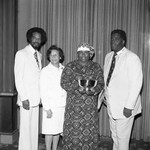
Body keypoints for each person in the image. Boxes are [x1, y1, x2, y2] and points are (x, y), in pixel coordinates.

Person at [104, 29, 143, 150]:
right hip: (111, 104)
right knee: (115, 136)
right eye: (111, 38)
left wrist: (129, 106)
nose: (112, 41)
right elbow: (107, 79)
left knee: (123, 138)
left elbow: (136, 83)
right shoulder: (108, 56)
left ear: (123, 41)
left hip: (125, 107)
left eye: (116, 39)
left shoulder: (132, 58)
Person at [61, 42, 104, 150]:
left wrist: (93, 91)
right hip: (73, 107)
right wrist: (76, 89)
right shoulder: (70, 66)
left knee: (89, 130)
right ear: (77, 54)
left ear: (90, 54)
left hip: (90, 107)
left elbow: (101, 83)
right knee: (72, 131)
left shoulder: (96, 67)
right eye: (81, 53)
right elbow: (63, 82)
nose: (83, 55)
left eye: (86, 53)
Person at [14, 27, 47, 150]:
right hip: (26, 99)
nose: (37, 40)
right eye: (34, 37)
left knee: (34, 129)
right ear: (29, 38)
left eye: (39, 38)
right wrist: (24, 98)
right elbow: (18, 78)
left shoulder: (39, 55)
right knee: (25, 129)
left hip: (36, 98)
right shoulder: (21, 53)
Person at [40, 45, 66, 150]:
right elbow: (43, 91)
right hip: (51, 106)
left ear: (60, 57)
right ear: (48, 57)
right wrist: (47, 108)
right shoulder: (45, 71)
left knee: (58, 130)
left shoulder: (64, 69)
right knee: (49, 131)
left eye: (56, 55)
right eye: (51, 55)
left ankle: (55, 148)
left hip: (62, 105)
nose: (53, 57)